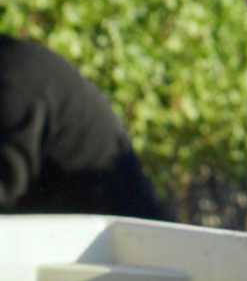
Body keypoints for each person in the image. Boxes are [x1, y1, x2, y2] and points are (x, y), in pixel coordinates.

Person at [0, 34, 170, 220]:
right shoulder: (16, 63)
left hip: (117, 238)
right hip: (77, 229)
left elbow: (7, 177)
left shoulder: (14, 82)